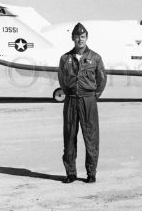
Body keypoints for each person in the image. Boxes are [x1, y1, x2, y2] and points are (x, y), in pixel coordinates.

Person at [58, 22, 107, 184]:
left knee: (91, 137)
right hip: (71, 100)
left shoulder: (95, 58)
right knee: (69, 137)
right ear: (73, 38)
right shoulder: (65, 58)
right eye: (77, 36)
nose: (80, 39)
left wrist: (92, 96)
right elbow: (62, 80)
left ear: (87, 38)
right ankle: (71, 173)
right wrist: (70, 93)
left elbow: (102, 80)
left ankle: (91, 173)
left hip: (88, 101)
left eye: (83, 36)